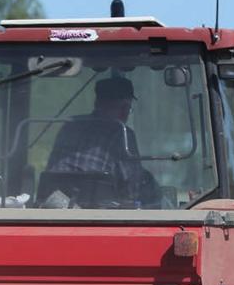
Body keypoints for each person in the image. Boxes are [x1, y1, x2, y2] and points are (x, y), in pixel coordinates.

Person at [45, 74, 160, 207]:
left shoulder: (70, 124)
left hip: (55, 206)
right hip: (99, 213)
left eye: (127, 107)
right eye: (118, 106)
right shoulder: (122, 133)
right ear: (99, 104)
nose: (125, 113)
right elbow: (132, 187)